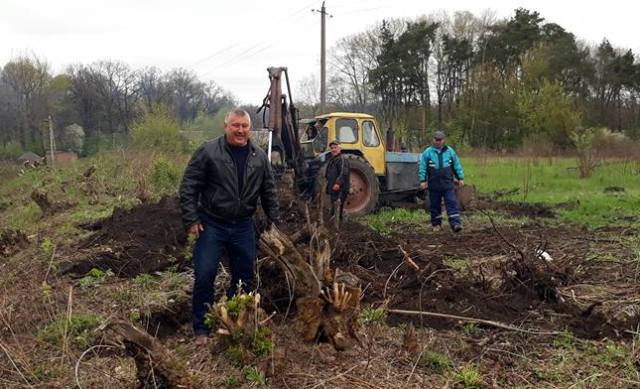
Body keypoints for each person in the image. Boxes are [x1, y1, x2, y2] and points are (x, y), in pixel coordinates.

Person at [179, 108, 280, 345]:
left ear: (249, 129)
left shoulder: (258, 156)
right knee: (205, 274)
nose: (241, 131)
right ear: (226, 127)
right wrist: (191, 219)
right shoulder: (208, 151)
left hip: (243, 226)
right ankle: (201, 328)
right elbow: (189, 186)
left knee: (244, 277)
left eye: (244, 126)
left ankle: (236, 320)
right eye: (236, 126)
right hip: (212, 224)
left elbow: (269, 192)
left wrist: (275, 223)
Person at [418, 130, 465, 233]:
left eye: (440, 140)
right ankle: (436, 224)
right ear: (433, 140)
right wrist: (422, 180)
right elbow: (422, 168)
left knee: (451, 202)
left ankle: (455, 224)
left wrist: (460, 178)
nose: (438, 142)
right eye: (436, 140)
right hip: (433, 184)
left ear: (444, 140)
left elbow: (456, 165)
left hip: (447, 184)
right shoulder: (427, 153)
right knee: (434, 205)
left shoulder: (450, 152)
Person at [325, 139, 350, 221]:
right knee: (334, 206)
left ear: (340, 148)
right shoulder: (332, 160)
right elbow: (327, 173)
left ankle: (339, 224)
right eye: (332, 148)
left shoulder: (342, 159)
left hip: (340, 189)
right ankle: (335, 223)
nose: (333, 150)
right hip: (333, 189)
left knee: (338, 206)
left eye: (335, 147)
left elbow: (343, 172)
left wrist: (338, 183)